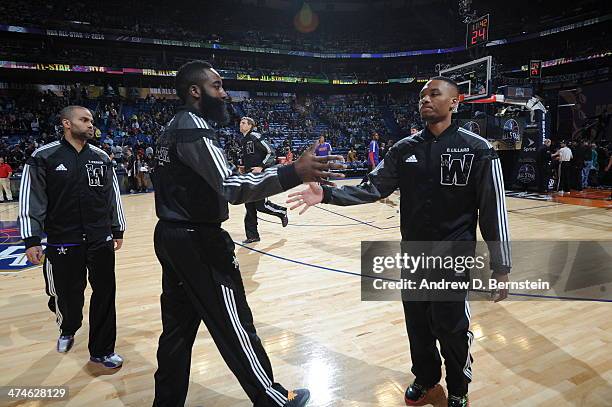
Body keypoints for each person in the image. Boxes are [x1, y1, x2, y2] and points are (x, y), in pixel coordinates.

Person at [287, 76, 511, 407]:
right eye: (422, 95)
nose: (425, 99)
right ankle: (425, 378)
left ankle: (459, 388)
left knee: (451, 327)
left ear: (455, 102)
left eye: (435, 94)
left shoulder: (477, 149)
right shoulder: (404, 149)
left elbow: (494, 210)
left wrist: (501, 266)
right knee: (418, 324)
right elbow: (373, 187)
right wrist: (328, 195)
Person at [151, 60, 344, 407]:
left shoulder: (171, 127)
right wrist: (292, 172)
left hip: (171, 234)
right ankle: (272, 398)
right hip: (199, 241)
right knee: (234, 323)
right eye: (217, 86)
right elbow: (229, 185)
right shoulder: (193, 128)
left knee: (177, 330)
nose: (225, 93)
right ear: (195, 91)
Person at [19, 105, 126, 368]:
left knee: (105, 294)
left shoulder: (102, 157)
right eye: (84, 120)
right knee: (68, 296)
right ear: (67, 123)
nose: (91, 124)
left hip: (99, 238)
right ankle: (68, 327)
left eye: (91, 120)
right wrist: (31, 239)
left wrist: (117, 228)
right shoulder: (43, 156)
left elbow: (112, 196)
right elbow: (31, 200)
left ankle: (102, 350)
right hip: (63, 240)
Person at [239, 116, 289, 244]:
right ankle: (253, 236)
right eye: (240, 122)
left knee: (261, 206)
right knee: (249, 206)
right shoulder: (244, 140)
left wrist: (261, 166)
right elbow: (251, 157)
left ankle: (281, 212)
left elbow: (270, 152)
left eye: (244, 123)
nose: (241, 124)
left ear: (250, 125)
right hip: (249, 176)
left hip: (259, 176)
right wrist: (244, 167)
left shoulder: (255, 135)